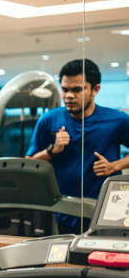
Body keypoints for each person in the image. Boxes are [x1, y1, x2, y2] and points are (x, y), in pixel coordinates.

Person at [26, 58, 129, 233]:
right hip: (63, 208)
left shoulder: (117, 120)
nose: (69, 95)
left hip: (107, 210)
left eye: (77, 90)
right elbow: (29, 162)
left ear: (95, 89)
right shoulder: (49, 120)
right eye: (65, 89)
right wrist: (53, 150)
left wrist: (114, 166)